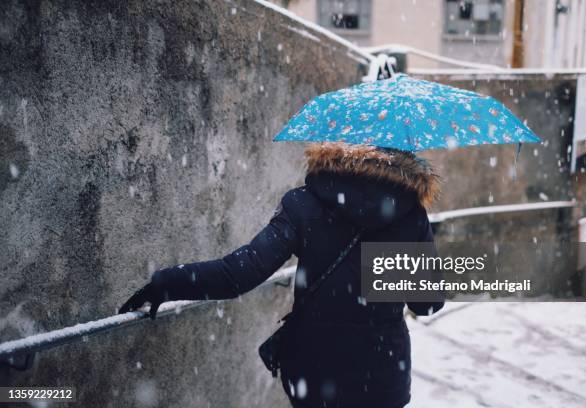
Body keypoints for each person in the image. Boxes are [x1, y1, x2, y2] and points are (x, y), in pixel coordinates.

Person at [119, 142, 444, 408]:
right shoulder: (409, 215)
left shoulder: (305, 203)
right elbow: (426, 304)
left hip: (314, 372)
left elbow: (238, 275)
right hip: (381, 375)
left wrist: (166, 283)